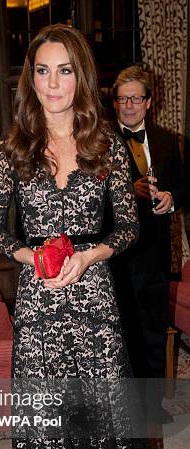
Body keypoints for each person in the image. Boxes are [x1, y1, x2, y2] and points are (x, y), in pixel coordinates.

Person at [0, 25, 165, 449]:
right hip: (40, 304)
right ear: (29, 79)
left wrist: (91, 256)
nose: (53, 82)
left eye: (64, 70)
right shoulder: (13, 148)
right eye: (42, 69)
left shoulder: (105, 144)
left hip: (93, 298)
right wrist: (26, 254)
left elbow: (130, 225)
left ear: (80, 76)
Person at [110, 65, 185, 424]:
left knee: (154, 332)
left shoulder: (170, 141)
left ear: (148, 102)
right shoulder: (100, 141)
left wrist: (172, 197)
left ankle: (153, 408)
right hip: (115, 258)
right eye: (122, 99)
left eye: (135, 98)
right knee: (122, 334)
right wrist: (128, 191)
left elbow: (187, 187)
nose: (128, 106)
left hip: (154, 254)